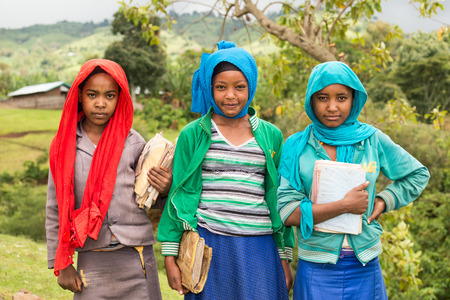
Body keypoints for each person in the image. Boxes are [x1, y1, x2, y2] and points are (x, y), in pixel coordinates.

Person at [277, 61, 430, 299]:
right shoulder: (296, 146)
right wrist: (344, 206)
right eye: (322, 98)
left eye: (341, 98)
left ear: (353, 99)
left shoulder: (371, 140)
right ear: (311, 101)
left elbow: (418, 174)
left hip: (364, 265)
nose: (332, 107)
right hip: (316, 267)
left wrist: (384, 200)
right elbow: (287, 212)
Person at [157, 41, 295, 299]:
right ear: (210, 88)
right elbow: (180, 195)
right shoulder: (193, 134)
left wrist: (284, 256)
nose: (230, 95)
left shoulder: (271, 135)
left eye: (239, 87)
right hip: (209, 244)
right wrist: (169, 254)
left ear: (251, 86)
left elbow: (278, 198)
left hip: (260, 246)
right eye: (221, 87)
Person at [45, 59, 172, 299]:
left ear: (120, 98)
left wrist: (164, 189)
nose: (101, 103)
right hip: (92, 257)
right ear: (80, 95)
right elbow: (55, 208)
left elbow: (149, 198)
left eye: (110, 96)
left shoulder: (133, 142)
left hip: (136, 256)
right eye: (92, 94)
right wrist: (60, 264)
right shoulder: (65, 146)